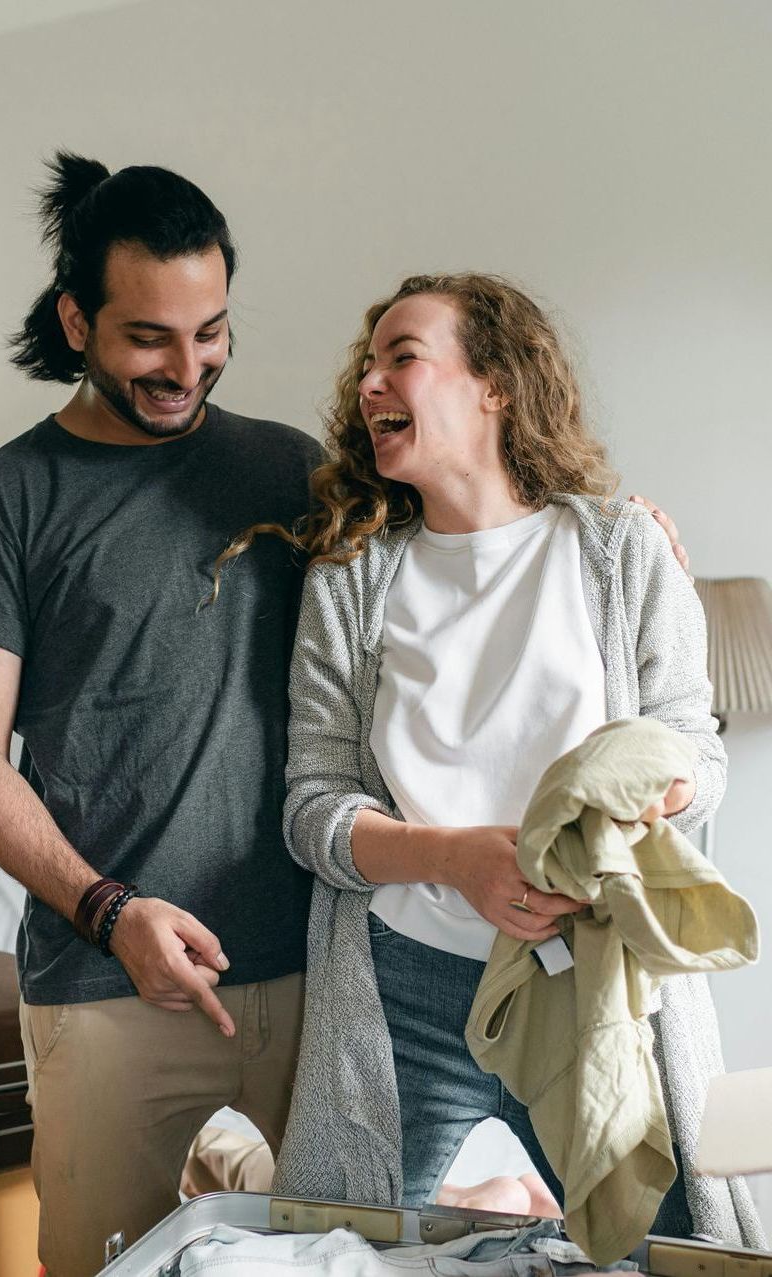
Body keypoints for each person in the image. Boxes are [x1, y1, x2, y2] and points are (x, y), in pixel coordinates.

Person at [269, 273, 762, 1247]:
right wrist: (456, 859)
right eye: (366, 367)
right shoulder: (349, 581)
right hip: (399, 994)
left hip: (593, 985)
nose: (369, 384)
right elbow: (311, 811)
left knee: (664, 1253)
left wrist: (635, 800)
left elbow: (694, 755)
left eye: (399, 356)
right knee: (337, 1252)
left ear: (494, 380)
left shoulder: (622, 550)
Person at [0, 152, 321, 1277]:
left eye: (209, 331)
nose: (184, 366)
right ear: (75, 319)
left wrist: (607, 528)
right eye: (148, 335)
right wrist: (112, 909)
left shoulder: (288, 467)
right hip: (104, 984)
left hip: (306, 969)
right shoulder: (1, 501)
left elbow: (450, 563)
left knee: (347, 1258)